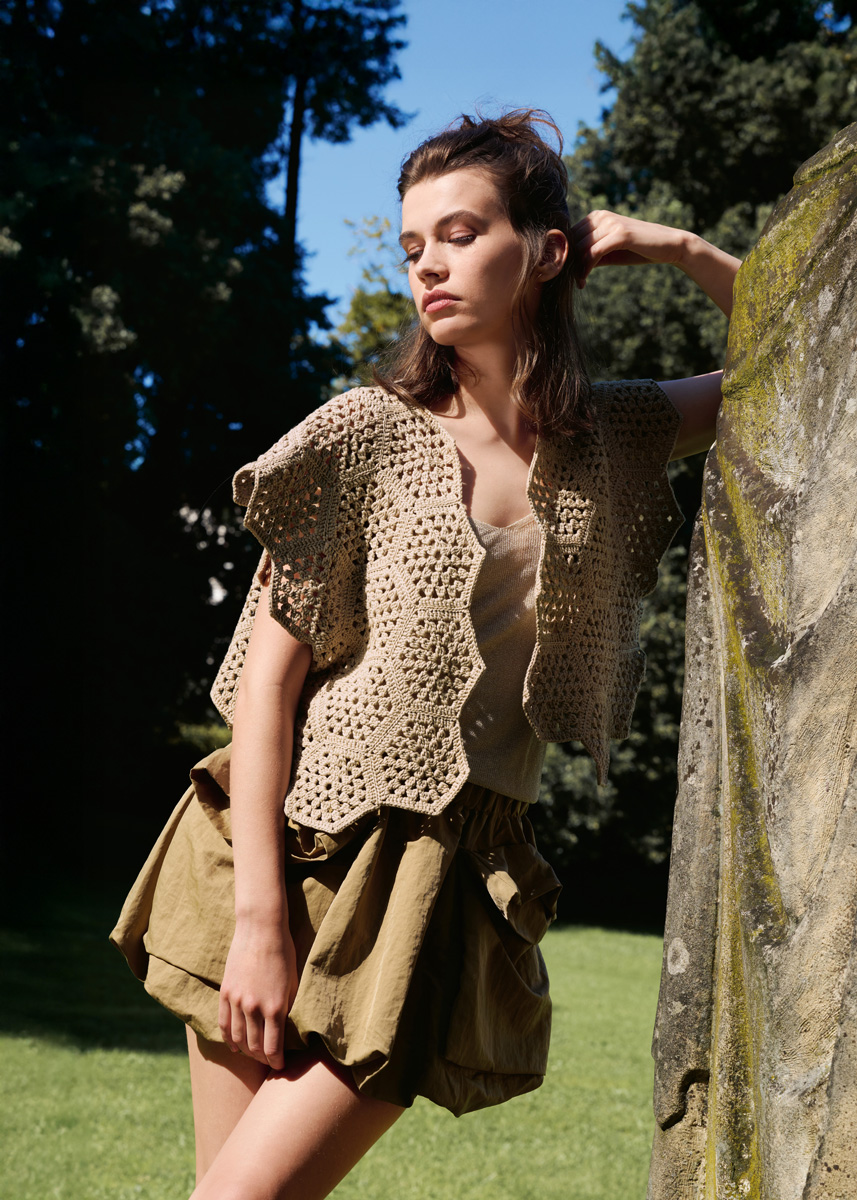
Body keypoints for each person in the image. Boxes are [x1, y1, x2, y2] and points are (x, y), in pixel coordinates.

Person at [111, 109, 740, 1199]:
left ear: (545, 252)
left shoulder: (613, 436)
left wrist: (675, 248)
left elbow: (805, 361)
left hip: (434, 891)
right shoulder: (361, 434)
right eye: (412, 247)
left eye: (459, 233)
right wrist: (259, 923)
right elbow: (265, 690)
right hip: (280, 855)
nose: (428, 267)